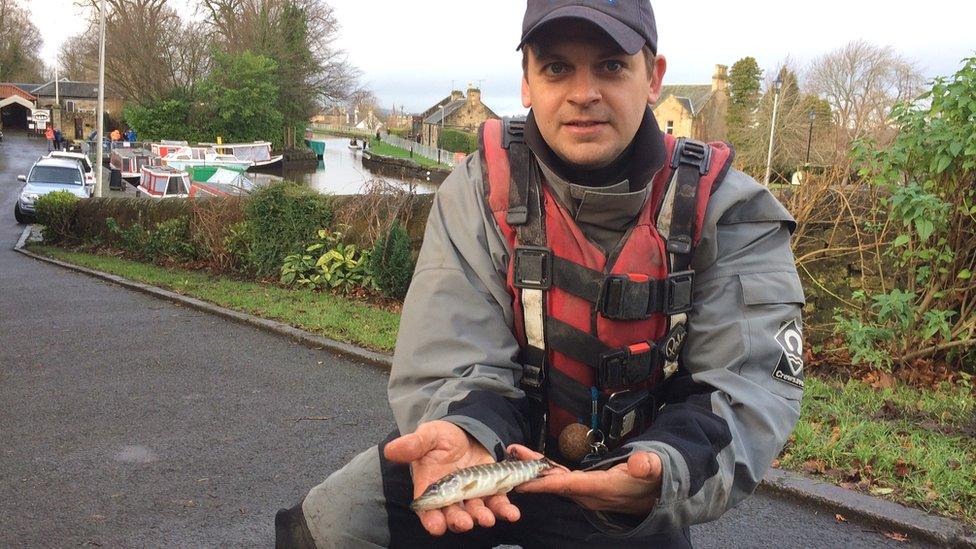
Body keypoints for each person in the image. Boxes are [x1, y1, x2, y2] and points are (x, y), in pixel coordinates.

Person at [276, 1, 805, 547]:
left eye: (611, 66)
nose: (583, 93)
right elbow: (450, 351)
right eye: (556, 68)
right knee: (321, 526)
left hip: (630, 479)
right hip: (484, 450)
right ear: (526, 82)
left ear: (654, 77)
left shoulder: (732, 209)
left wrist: (663, 470)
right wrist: (465, 432)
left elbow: (745, 389)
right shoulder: (479, 186)